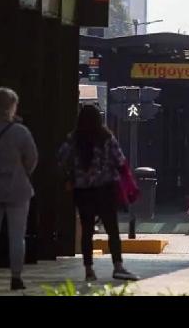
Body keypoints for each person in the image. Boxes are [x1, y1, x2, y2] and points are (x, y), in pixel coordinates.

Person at [58, 105, 138, 282]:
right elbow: (120, 160)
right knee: (112, 229)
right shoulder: (106, 138)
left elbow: (62, 159)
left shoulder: (73, 139)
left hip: (82, 191)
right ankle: (118, 266)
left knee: (87, 230)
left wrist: (71, 177)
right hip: (105, 189)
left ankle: (89, 270)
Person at [0, 87, 38, 291]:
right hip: (17, 189)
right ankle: (16, 277)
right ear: (12, 107)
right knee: (17, 236)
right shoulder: (21, 132)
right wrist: (22, 172)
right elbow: (32, 159)